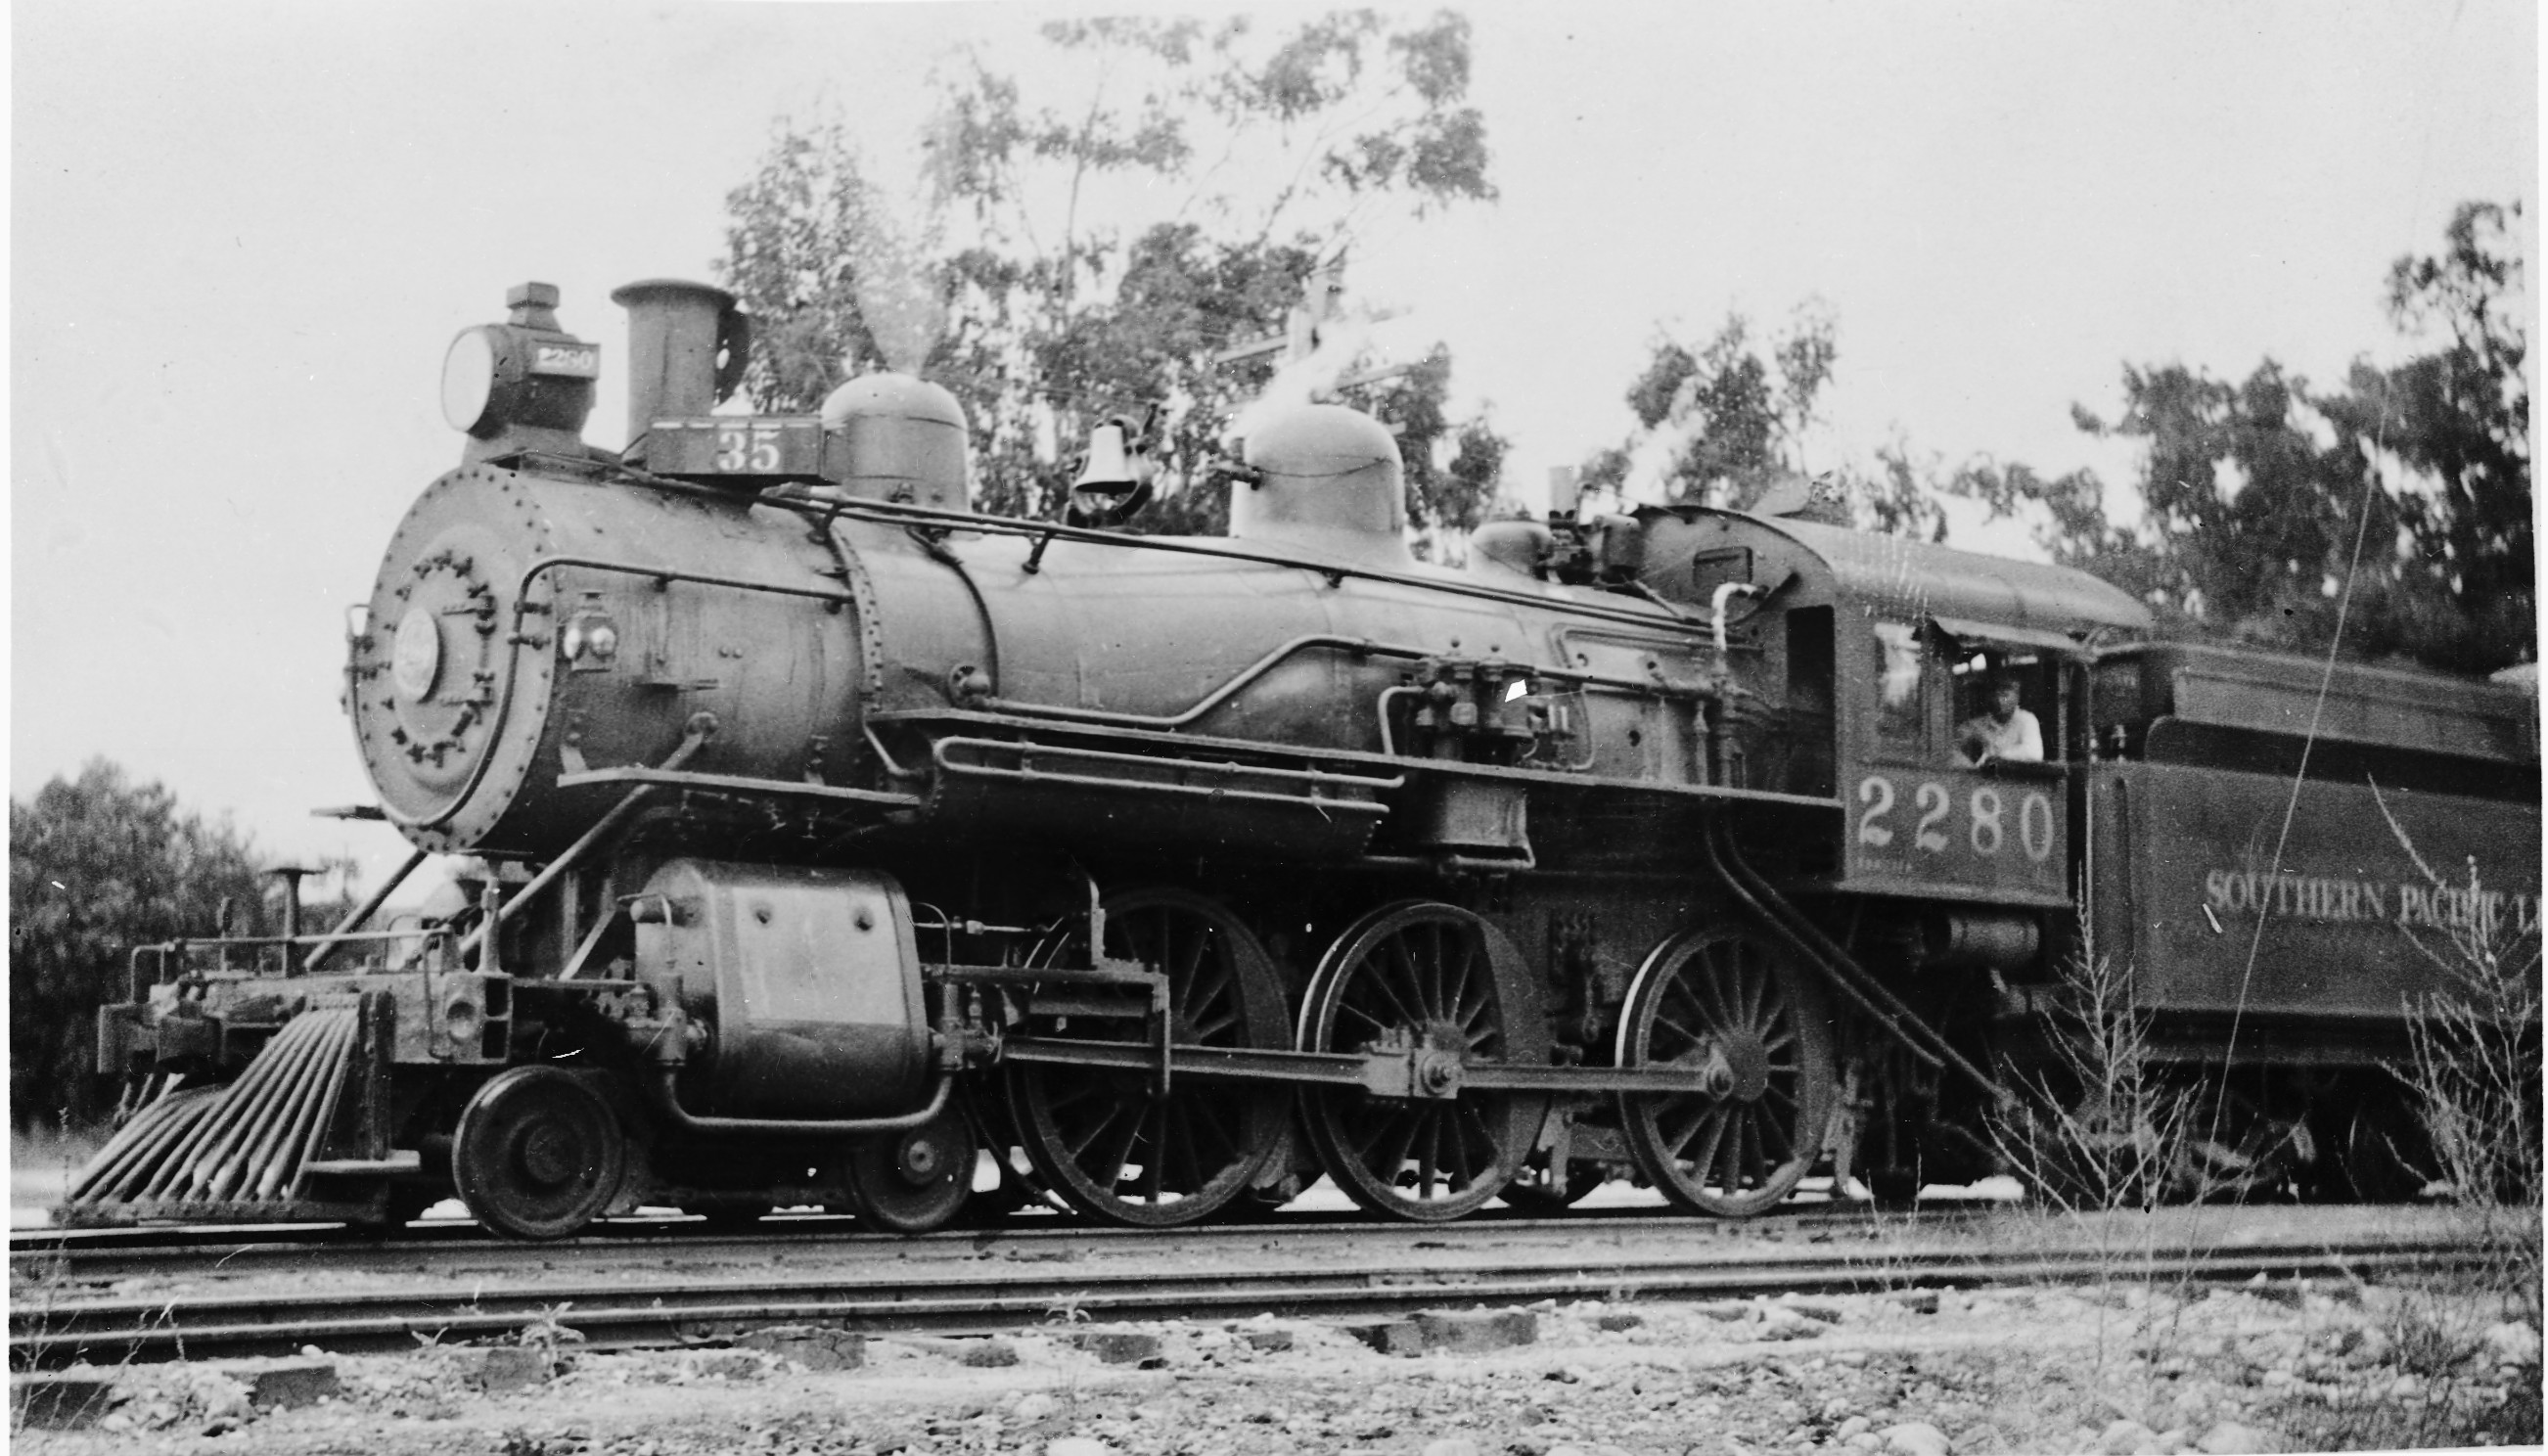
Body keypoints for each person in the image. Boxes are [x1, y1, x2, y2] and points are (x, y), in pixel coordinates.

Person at [1957, 672, 2043, 765]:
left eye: (2005, 696)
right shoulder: (1978, 724)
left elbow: (2034, 753)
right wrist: (1969, 766)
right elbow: (1953, 745)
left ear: (2017, 697)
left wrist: (1997, 757)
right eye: (1995, 696)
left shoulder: (2026, 719)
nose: (1999, 701)